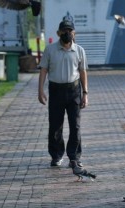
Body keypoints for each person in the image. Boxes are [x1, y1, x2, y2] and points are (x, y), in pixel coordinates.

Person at [38, 20, 88, 167]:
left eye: (70, 31)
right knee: (55, 125)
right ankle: (56, 155)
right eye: (64, 31)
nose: (67, 33)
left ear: (74, 33)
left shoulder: (79, 50)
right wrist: (40, 90)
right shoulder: (50, 50)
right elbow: (43, 70)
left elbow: (83, 72)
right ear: (58, 33)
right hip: (55, 90)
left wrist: (85, 93)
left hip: (74, 91)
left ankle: (74, 157)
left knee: (75, 125)